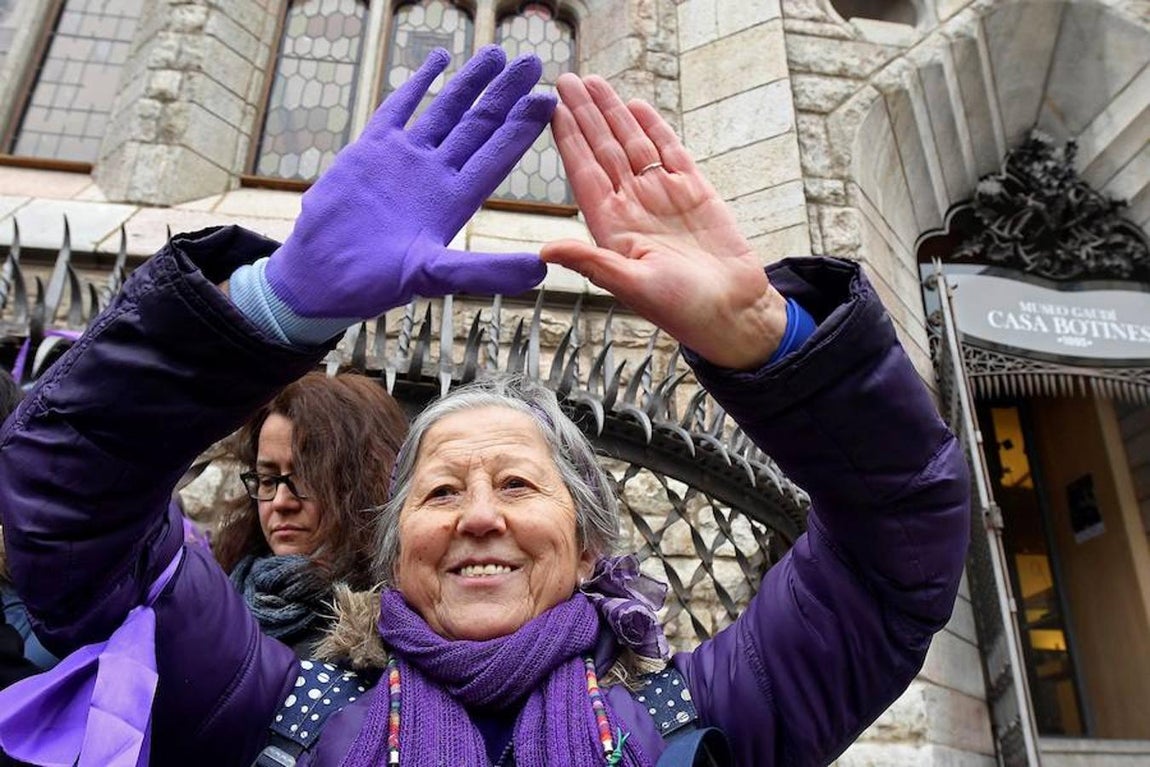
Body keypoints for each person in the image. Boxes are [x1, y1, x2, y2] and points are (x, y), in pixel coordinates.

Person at [0, 44, 970, 767]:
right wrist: (270, 302)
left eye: (516, 480)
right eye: (438, 491)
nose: (477, 512)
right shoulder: (265, 709)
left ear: (587, 544)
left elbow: (898, 553)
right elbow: (73, 515)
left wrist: (771, 334)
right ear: (389, 553)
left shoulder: (709, 718)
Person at [213, 372, 408, 656]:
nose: (281, 501)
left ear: (364, 484)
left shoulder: (396, 632)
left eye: (306, 477)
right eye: (267, 480)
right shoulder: (215, 603)